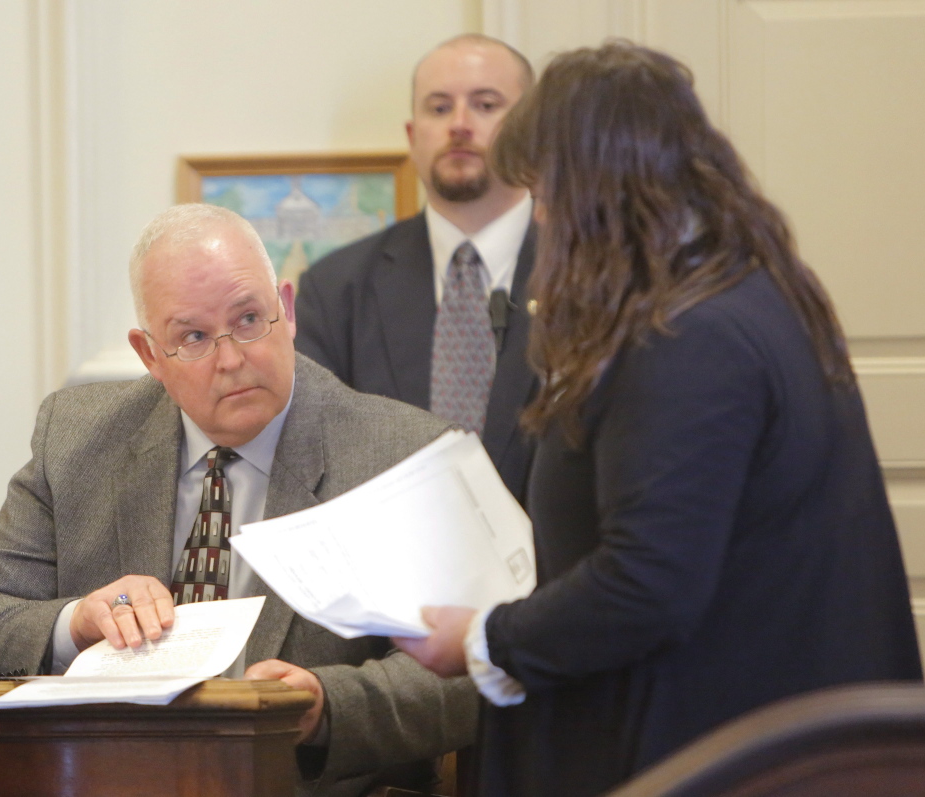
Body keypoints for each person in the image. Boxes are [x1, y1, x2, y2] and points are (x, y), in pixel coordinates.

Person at [395, 42, 923, 796]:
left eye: (545, 191)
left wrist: (483, 638)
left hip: (730, 752)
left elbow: (648, 581)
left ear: (596, 189)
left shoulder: (685, 336)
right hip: (779, 738)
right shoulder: (747, 289)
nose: (540, 216)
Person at [0, 204, 477, 797]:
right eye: (193, 337)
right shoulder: (76, 439)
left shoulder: (401, 454)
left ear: (288, 311)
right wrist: (78, 623)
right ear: (150, 356)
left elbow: (468, 676)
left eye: (250, 319)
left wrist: (325, 707)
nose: (231, 359)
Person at [295, 34, 539, 504]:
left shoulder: (597, 279)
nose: (460, 125)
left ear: (533, 133)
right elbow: (310, 461)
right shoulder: (334, 289)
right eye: (440, 108)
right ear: (412, 136)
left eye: (486, 105)